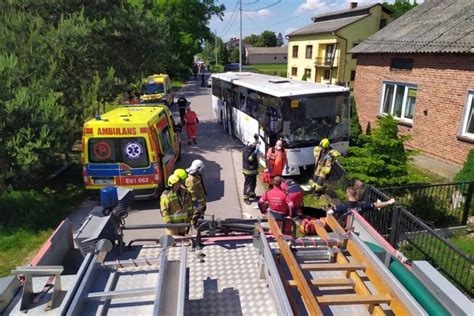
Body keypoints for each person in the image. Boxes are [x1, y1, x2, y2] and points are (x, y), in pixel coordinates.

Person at [328, 186, 395, 219]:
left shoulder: (343, 206)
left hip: (344, 228)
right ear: (355, 194)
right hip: (357, 226)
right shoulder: (362, 205)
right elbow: (376, 205)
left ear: (347, 195)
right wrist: (388, 202)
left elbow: (329, 212)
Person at [186, 159, 207, 227]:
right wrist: (196, 204)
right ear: (198, 168)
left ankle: (200, 223)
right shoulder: (191, 179)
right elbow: (192, 193)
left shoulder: (196, 176)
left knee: (201, 213)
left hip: (201, 201)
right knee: (197, 214)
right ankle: (196, 225)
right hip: (197, 203)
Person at [242, 136, 259, 205]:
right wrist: (255, 153)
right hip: (248, 171)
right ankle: (246, 197)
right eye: (254, 143)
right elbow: (249, 159)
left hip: (253, 170)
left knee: (253, 184)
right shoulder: (246, 150)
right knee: (248, 184)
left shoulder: (253, 148)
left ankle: (251, 194)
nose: (255, 144)